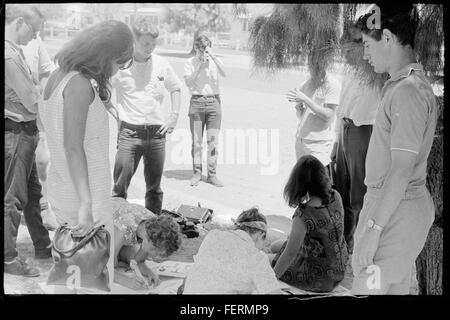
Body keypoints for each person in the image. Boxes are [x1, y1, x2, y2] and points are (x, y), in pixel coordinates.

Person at [40, 20, 134, 292]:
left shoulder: (59, 77)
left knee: (74, 274)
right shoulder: (79, 84)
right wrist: (85, 206)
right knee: (93, 278)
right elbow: (72, 146)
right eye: (122, 62)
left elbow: (53, 129)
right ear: (105, 56)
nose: (119, 69)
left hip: (65, 186)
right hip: (84, 195)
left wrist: (101, 101)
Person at [351, 4, 437, 295]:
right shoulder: (407, 88)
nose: (364, 54)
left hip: (395, 208)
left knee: (365, 286)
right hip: (399, 206)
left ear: (386, 37)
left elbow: (401, 171)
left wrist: (374, 230)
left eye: (366, 44)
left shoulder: (407, 92)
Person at [110, 18, 182, 215]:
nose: (150, 48)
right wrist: (117, 115)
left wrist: (173, 116)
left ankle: (154, 232)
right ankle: (115, 230)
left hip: (157, 135)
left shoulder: (161, 64)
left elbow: (176, 88)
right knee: (120, 187)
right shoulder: (120, 66)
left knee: (154, 189)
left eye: (153, 44)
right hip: (129, 134)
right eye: (145, 44)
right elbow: (103, 92)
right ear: (133, 40)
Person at [4, 4, 52, 277]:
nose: (35, 37)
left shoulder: (15, 52)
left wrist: (34, 88)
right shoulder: (10, 56)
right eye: (33, 30)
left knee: (32, 193)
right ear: (19, 22)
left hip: (24, 132)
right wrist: (37, 90)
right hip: (17, 133)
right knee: (12, 199)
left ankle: (43, 246)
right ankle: (9, 261)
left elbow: (32, 90)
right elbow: (32, 100)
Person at [270, 155, 348, 293]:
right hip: (340, 269)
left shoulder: (304, 215)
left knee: (272, 259)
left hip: (320, 279)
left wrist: (268, 281)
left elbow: (289, 255)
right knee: (276, 246)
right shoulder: (336, 196)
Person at [331, 40, 382, 254]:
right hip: (345, 127)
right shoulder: (350, 70)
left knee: (359, 193)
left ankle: (359, 245)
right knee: (341, 189)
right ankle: (343, 241)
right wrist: (336, 139)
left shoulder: (377, 70)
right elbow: (343, 104)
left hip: (364, 128)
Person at [183, 207, 284, 294]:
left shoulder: (213, 235)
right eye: (264, 239)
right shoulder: (258, 257)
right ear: (260, 235)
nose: (262, 247)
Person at [22, 29, 59, 231]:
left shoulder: (34, 40)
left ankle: (44, 209)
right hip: (11, 113)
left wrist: (44, 103)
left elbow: (46, 72)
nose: (35, 30)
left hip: (33, 112)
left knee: (42, 161)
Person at [286, 50, 341, 171]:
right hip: (301, 141)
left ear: (325, 63)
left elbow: (329, 116)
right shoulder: (305, 84)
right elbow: (303, 117)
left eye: (316, 62)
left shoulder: (332, 84)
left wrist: (306, 100)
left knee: (317, 182)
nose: (312, 65)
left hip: (318, 144)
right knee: (302, 182)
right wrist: (299, 110)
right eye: (310, 62)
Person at [184, 35, 226, 187]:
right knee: (197, 142)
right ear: (196, 48)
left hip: (214, 103)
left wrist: (213, 57)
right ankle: (197, 173)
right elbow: (188, 82)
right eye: (201, 47)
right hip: (196, 103)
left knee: (213, 142)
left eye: (207, 47)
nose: (204, 51)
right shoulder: (189, 63)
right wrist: (200, 67)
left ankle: (212, 175)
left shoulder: (214, 61)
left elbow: (225, 72)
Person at [112, 197, 182, 287]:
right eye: (153, 251)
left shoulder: (152, 228)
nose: (153, 257)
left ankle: (118, 255)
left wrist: (149, 272)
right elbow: (102, 266)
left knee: (130, 257)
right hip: (98, 223)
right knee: (113, 262)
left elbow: (138, 261)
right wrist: (126, 281)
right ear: (149, 240)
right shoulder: (122, 229)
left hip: (122, 221)